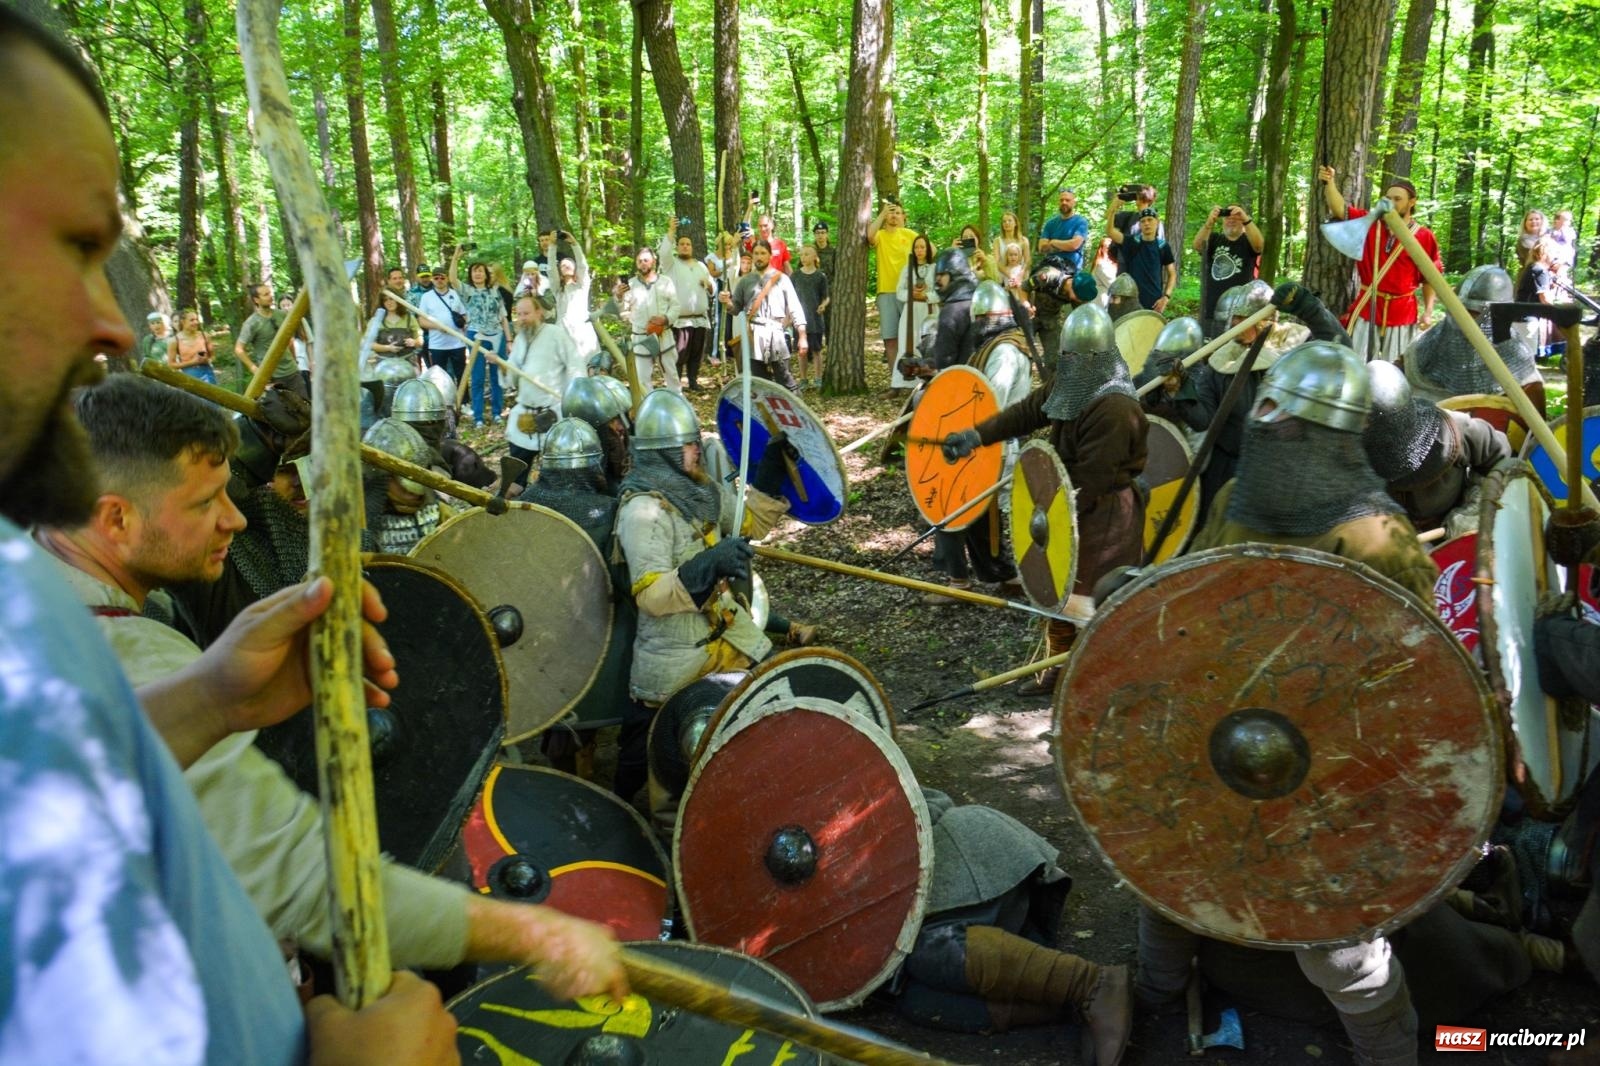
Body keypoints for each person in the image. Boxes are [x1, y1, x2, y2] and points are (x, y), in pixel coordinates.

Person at [0, 7, 470, 1060]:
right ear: (114, 518)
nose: (117, 325)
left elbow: (41, 797)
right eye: (74, 247)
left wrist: (205, 700)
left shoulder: (26, 599)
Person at [43, 373, 629, 991]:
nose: (235, 520)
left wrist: (215, 698)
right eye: (204, 503)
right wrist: (538, 935)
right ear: (115, 520)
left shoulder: (33, 588)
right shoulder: (125, 655)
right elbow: (310, 880)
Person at [1139, 341, 1440, 1066]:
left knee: (1336, 948)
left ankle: (1390, 1051)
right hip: (1223, 738)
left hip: (1330, 771)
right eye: (1265, 409)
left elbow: (1415, 684)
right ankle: (1151, 998)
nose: (1267, 426)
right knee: (1161, 868)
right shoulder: (1233, 502)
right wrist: (1138, 594)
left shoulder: (1382, 541)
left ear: (1332, 435)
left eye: (1288, 418)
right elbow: (1195, 597)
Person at [943, 302, 1148, 694]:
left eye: (1072, 355)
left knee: (1091, 597)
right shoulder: (1074, 378)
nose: (1065, 360)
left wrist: (1051, 508)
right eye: (1064, 354)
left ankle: (1097, 675)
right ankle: (1059, 667)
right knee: (1059, 587)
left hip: (1104, 512)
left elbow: (1093, 476)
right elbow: (1028, 412)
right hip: (1069, 500)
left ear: (1095, 356)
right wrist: (977, 436)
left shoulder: (1116, 407)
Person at [611, 390, 793, 804]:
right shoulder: (643, 513)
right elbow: (652, 596)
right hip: (675, 658)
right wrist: (707, 565)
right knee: (662, 759)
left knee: (762, 710)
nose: (698, 448)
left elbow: (748, 523)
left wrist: (768, 473)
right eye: (689, 444)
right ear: (665, 454)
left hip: (727, 638)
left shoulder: (700, 490)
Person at [890, 791, 1130, 1066]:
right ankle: (1069, 1004)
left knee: (929, 949)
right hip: (928, 907)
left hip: (966, 857)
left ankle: (1092, 983)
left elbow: (920, 804)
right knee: (914, 1000)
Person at [1140, 280, 1350, 525]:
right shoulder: (1222, 361)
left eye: (1243, 319)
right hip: (1226, 467)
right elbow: (1202, 419)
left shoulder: (1294, 351)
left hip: (1278, 469)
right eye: (1234, 318)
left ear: (1266, 319)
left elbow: (1339, 349)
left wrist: (1309, 307)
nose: (1235, 325)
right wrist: (1179, 388)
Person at [925, 280, 1031, 605]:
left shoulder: (1005, 352)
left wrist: (959, 425)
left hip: (995, 444)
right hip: (985, 440)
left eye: (980, 319)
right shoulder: (995, 347)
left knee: (956, 502)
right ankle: (1002, 575)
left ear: (989, 318)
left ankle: (963, 580)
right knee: (980, 514)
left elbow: (988, 402)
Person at [1362, 360, 1511, 533]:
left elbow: (1501, 459)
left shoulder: (1451, 432)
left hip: (1454, 531)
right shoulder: (1349, 452)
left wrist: (1475, 509)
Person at [1317, 165, 1442, 362]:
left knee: (1396, 369)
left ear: (1412, 202)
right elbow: (1340, 209)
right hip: (1368, 305)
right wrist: (1329, 182)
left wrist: (1428, 312)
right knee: (1355, 363)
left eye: (1397, 199)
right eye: (1388, 198)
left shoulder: (1424, 236)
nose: (1391, 202)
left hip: (1402, 311)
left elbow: (1430, 278)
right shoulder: (1369, 223)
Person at [1403, 264, 1546, 416]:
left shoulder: (1520, 368)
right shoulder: (1421, 352)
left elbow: (1531, 433)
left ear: (1499, 316)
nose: (1463, 321)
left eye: (1474, 313)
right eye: (1457, 311)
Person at [504, 291, 585, 484]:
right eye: (519, 314)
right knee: (516, 474)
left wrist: (574, 399)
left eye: (526, 313)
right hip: (524, 415)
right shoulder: (520, 340)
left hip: (553, 413)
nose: (522, 319)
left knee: (558, 474)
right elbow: (512, 379)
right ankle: (516, 499)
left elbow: (575, 365)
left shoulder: (556, 334)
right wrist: (502, 365)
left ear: (539, 312)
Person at [720, 238, 807, 390]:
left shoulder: (782, 279)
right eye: (756, 253)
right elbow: (736, 308)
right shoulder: (745, 281)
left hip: (776, 335)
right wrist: (727, 302)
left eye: (763, 253)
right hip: (753, 336)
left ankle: (792, 412)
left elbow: (795, 307)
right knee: (759, 383)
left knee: (785, 381)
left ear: (769, 255)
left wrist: (802, 336)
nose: (759, 257)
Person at [450, 257, 510, 428]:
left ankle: (497, 412)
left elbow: (503, 317)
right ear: (471, 274)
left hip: (496, 336)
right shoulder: (467, 291)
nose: (477, 273)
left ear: (485, 274)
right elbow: (453, 279)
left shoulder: (495, 292)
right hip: (476, 336)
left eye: (480, 271)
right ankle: (478, 417)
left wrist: (509, 339)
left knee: (496, 375)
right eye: (474, 270)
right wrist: (456, 255)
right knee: (477, 377)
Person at [657, 219, 714, 391]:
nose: (685, 246)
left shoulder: (701, 266)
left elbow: (713, 289)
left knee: (696, 353)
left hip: (700, 319)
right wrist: (671, 231)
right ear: (677, 247)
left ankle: (693, 380)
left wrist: (709, 284)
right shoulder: (671, 265)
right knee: (680, 353)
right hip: (680, 319)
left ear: (692, 247)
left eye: (688, 244)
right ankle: (676, 383)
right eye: (681, 244)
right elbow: (664, 252)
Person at [616, 245, 681, 394]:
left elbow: (676, 307)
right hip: (641, 338)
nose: (643, 263)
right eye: (639, 261)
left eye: (646, 260)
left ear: (653, 262)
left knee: (672, 376)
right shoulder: (630, 284)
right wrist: (619, 297)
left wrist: (665, 319)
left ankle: (679, 408)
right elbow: (622, 310)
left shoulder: (666, 281)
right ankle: (648, 412)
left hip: (664, 336)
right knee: (642, 380)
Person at [1192, 203, 1264, 337]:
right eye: (1227, 216)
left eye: (1236, 216)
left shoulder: (1248, 240)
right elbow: (1197, 246)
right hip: (1210, 308)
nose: (1231, 219)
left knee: (1233, 351)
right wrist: (1209, 222)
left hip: (1239, 312)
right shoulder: (1214, 239)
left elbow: (1259, 246)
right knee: (1207, 349)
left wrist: (1246, 218)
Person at [870, 201, 918, 380]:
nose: (894, 215)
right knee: (890, 339)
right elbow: (868, 236)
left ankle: (913, 380)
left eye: (898, 212)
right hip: (887, 292)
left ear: (903, 216)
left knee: (911, 338)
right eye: (891, 212)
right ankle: (895, 382)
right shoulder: (880, 235)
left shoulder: (910, 235)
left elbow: (930, 251)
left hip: (908, 292)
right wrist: (882, 214)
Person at [235, 281, 307, 396]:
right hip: (271, 377)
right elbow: (239, 349)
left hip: (292, 372)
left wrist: (294, 359)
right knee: (282, 412)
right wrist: (253, 368)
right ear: (256, 300)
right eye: (265, 294)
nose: (270, 296)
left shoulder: (281, 315)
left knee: (305, 406)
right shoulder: (251, 323)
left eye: (269, 293)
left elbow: (290, 340)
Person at [1105, 198, 1175, 312]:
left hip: (1154, 303)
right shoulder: (1131, 242)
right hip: (1131, 301)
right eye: (1143, 221)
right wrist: (1113, 210)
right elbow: (1110, 232)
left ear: (1157, 222)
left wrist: (1166, 297)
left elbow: (1172, 274)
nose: (1146, 223)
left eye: (1150, 220)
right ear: (1140, 225)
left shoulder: (1163, 246)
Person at [415, 247, 471, 382]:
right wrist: (438, 326)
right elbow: (421, 321)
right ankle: (444, 402)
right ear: (432, 280)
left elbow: (464, 315)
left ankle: (464, 401)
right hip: (437, 344)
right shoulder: (426, 297)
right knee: (439, 377)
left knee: (461, 374)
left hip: (457, 343)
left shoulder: (455, 294)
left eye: (442, 277)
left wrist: (462, 325)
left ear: (446, 279)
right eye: (436, 278)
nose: (439, 280)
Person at [894, 232, 940, 388]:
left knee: (927, 345)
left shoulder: (935, 268)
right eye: (916, 247)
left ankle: (926, 383)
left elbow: (940, 292)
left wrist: (926, 296)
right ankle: (899, 384)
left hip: (929, 312)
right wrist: (912, 294)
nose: (919, 250)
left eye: (922, 247)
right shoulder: (907, 269)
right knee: (906, 345)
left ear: (927, 249)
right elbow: (899, 292)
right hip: (910, 313)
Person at [1028, 264, 1098, 360]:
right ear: (1072, 286)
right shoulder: (1049, 275)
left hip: (1049, 320)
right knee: (1022, 351)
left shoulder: (1078, 294)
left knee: (1056, 358)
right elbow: (1023, 288)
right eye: (1078, 298)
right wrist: (1026, 305)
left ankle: (1051, 374)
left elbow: (1082, 318)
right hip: (1029, 316)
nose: (1078, 300)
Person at [551, 232, 599, 360]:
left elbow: (583, 266)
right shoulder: (557, 290)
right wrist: (552, 246)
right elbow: (551, 270)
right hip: (563, 332)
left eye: (569, 264)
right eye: (562, 265)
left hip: (583, 333)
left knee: (588, 366)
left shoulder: (582, 287)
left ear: (575, 268)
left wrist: (574, 244)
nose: (566, 266)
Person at [1514, 236, 1560, 362]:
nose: (1555, 257)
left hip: (1523, 314)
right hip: (1528, 318)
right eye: (1554, 253)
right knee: (1525, 358)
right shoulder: (1540, 270)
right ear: (1545, 252)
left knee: (1523, 355)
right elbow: (1544, 299)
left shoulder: (1532, 267)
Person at [791, 243, 830, 387]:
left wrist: (823, 305)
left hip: (815, 320)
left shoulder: (820, 276)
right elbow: (790, 296)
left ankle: (818, 378)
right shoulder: (795, 276)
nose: (803, 257)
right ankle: (803, 379)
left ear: (815, 257)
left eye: (807, 254)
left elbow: (826, 296)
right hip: (799, 320)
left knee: (816, 350)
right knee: (801, 351)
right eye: (801, 254)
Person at [362, 289, 424, 374]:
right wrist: (387, 348)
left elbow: (420, 339)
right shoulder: (376, 320)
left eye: (391, 299)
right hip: (383, 366)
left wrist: (415, 342)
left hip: (408, 364)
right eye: (385, 300)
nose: (388, 302)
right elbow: (368, 343)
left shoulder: (409, 318)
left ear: (398, 300)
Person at [1039, 189, 1089, 274]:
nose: (1064, 202)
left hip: (1072, 270)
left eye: (1067, 200)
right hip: (1050, 268)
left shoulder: (1081, 222)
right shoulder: (1050, 223)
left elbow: (1074, 245)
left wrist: (1053, 242)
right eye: (1061, 200)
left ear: (1074, 203)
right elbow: (1042, 248)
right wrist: (1064, 245)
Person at [167, 307, 218, 384]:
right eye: (192, 320)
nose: (196, 322)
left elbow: (213, 357)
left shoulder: (205, 336)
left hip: (207, 373)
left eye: (196, 319)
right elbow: (171, 365)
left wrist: (207, 360)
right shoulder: (174, 341)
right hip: (189, 377)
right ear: (183, 321)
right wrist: (192, 362)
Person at [994, 209, 1032, 273]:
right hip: (1003, 274)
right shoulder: (997, 241)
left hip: (1020, 274)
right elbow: (996, 261)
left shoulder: (1024, 240)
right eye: (1004, 221)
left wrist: (1020, 274)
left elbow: (1027, 261)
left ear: (1015, 223)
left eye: (1010, 221)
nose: (1007, 223)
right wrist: (1009, 274)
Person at [1549, 209, 1578, 277]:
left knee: (1560, 277)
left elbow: (1568, 242)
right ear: (1557, 220)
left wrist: (1562, 230)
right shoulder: (1550, 232)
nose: (1569, 222)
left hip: (1563, 261)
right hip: (1550, 261)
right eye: (1566, 220)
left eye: (1569, 220)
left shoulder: (1570, 232)